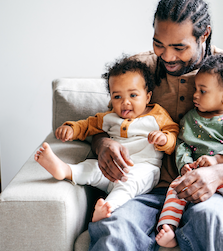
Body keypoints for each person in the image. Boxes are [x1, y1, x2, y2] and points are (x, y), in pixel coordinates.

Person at [89, 0, 223, 250]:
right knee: (115, 231)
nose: (167, 56)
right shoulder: (138, 71)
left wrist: (217, 174)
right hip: (144, 189)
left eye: (178, 47)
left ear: (204, 34)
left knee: (212, 222)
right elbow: (101, 127)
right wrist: (103, 144)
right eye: (158, 44)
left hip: (213, 191)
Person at [34, 56, 179, 222]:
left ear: (147, 97)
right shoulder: (108, 117)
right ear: (111, 98)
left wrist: (164, 139)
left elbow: (173, 132)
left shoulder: (157, 115)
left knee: (129, 183)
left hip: (144, 169)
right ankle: (66, 170)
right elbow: (87, 125)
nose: (125, 103)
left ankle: (108, 207)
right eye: (117, 97)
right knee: (92, 167)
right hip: (110, 169)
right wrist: (70, 129)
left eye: (133, 95)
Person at [156, 53, 223, 251]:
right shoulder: (190, 119)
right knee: (175, 190)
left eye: (202, 91)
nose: (194, 95)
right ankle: (168, 228)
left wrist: (219, 160)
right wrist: (184, 164)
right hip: (196, 176)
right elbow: (183, 145)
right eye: (196, 89)